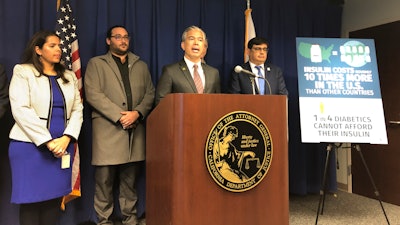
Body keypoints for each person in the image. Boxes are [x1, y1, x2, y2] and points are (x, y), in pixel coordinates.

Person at [8, 30, 83, 225]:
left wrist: (66, 138)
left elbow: (78, 109)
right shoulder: (23, 72)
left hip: (62, 147)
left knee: (52, 202)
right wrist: (48, 142)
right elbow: (20, 109)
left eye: (59, 45)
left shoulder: (68, 75)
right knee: (31, 203)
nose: (58, 49)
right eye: (52, 46)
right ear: (38, 50)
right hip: (29, 148)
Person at [84, 25, 155, 225]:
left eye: (125, 37)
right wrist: (120, 116)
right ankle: (104, 221)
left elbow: (150, 93)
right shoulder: (96, 63)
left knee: (130, 183)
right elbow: (93, 94)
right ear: (108, 41)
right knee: (104, 182)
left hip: (135, 132)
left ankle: (130, 220)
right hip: (108, 132)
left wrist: (137, 113)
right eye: (117, 37)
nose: (123, 41)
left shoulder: (140, 65)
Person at [155, 25, 221, 105]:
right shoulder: (170, 71)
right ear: (183, 45)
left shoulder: (214, 73)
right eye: (191, 39)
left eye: (200, 40)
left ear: (204, 47)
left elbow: (218, 102)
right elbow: (161, 102)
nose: (196, 43)